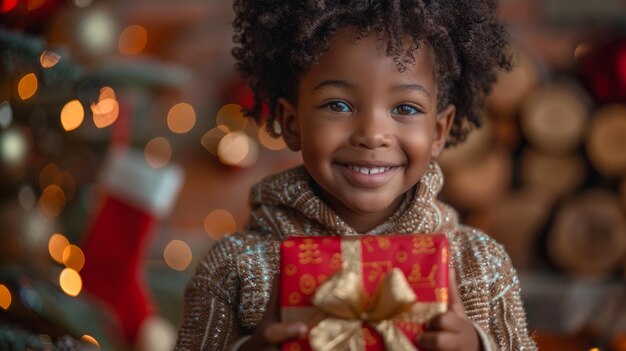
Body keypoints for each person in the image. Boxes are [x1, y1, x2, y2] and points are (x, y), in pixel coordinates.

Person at [175, 0, 536, 350]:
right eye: (338, 105)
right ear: (291, 122)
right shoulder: (235, 268)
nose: (372, 134)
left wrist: (479, 347)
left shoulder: (479, 265)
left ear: (439, 132)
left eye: (406, 108)